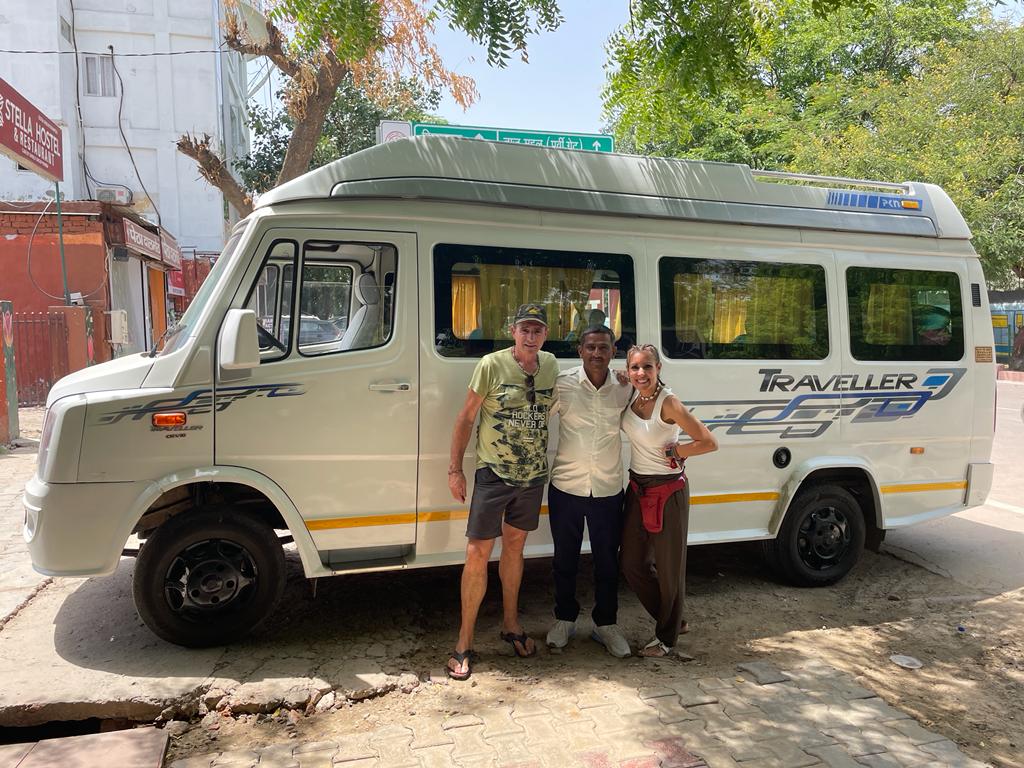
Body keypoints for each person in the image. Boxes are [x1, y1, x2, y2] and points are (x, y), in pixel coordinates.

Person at [445, 303, 559, 680]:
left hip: (532, 476)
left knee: (515, 548)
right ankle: (463, 643)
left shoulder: (552, 365)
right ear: (513, 330)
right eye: (525, 329)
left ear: (545, 334)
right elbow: (466, 417)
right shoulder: (491, 364)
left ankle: (511, 624)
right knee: (477, 553)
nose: (531, 336)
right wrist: (455, 469)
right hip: (493, 474)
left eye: (538, 330)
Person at [620, 344, 718, 657]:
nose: (641, 373)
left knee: (669, 568)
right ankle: (674, 619)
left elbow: (708, 441)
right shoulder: (632, 394)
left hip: (668, 491)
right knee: (632, 563)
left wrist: (678, 452)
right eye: (635, 367)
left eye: (647, 367)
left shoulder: (669, 402)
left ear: (658, 369)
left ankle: (667, 638)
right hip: (637, 488)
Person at [546, 325, 633, 658]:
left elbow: (653, 404)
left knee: (607, 562)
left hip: (609, 489)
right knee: (564, 560)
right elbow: (536, 418)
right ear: (580, 350)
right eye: (591, 347)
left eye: (604, 348)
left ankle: (605, 625)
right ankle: (564, 619)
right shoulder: (563, 384)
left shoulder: (625, 388)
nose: (597, 353)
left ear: (614, 352)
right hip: (566, 487)